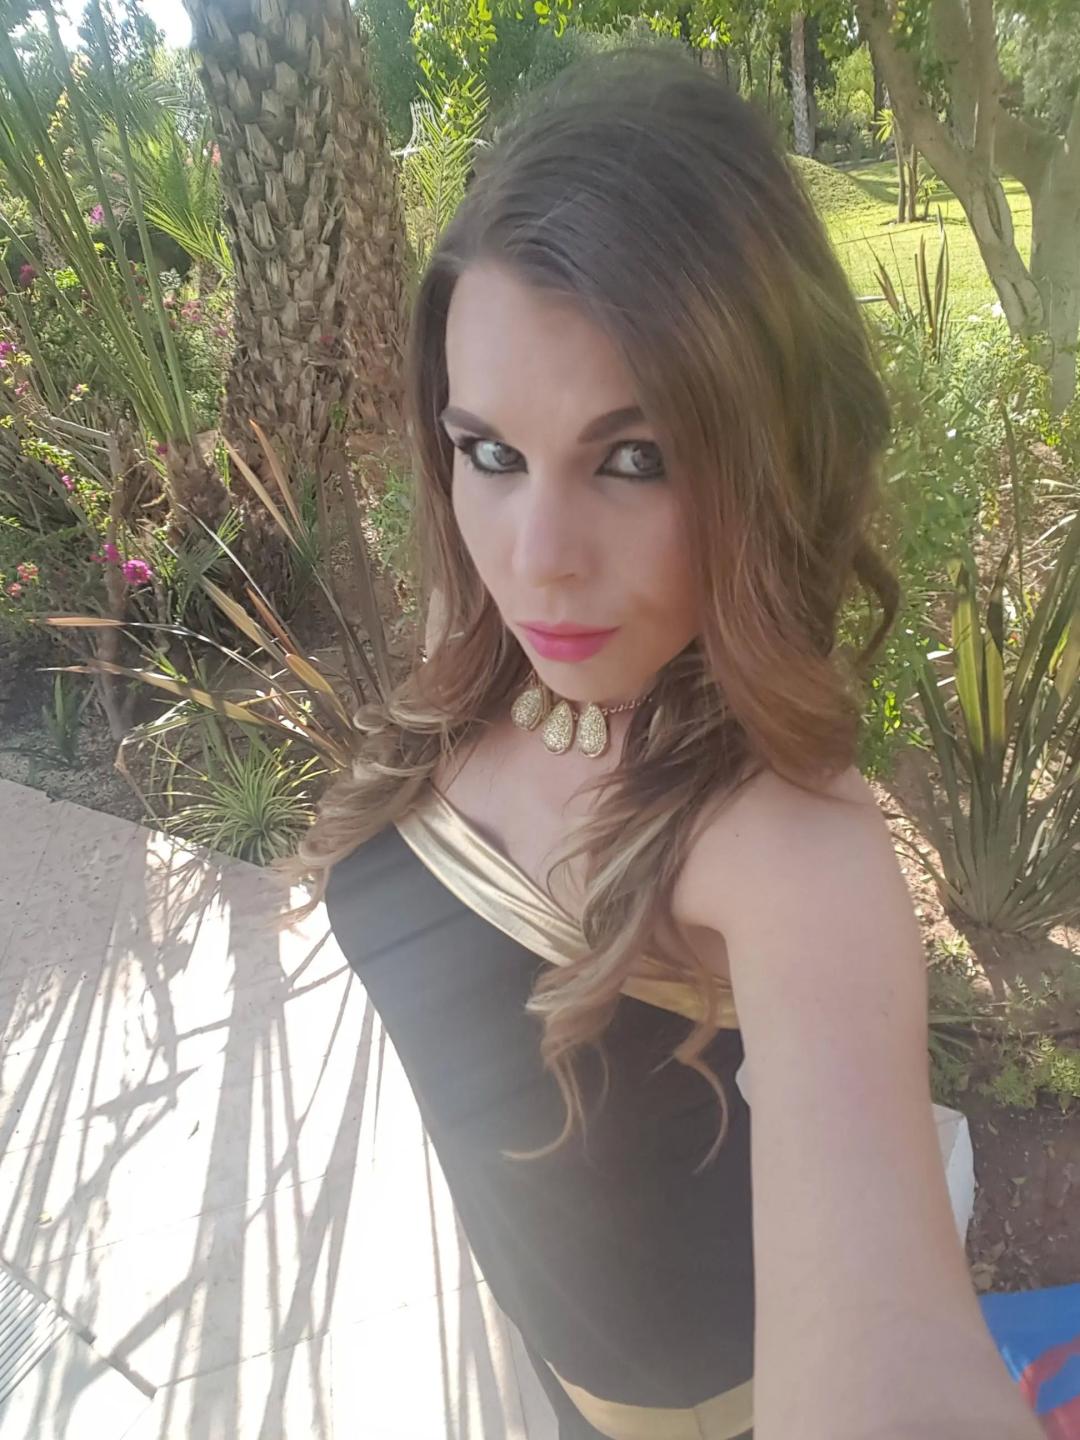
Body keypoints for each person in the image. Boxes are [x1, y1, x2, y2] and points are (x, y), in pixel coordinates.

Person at [300, 51, 1041, 1440]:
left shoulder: (785, 846)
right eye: (491, 452)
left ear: (770, 456)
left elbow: (889, 1376)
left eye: (633, 459)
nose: (539, 560)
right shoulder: (495, 661)